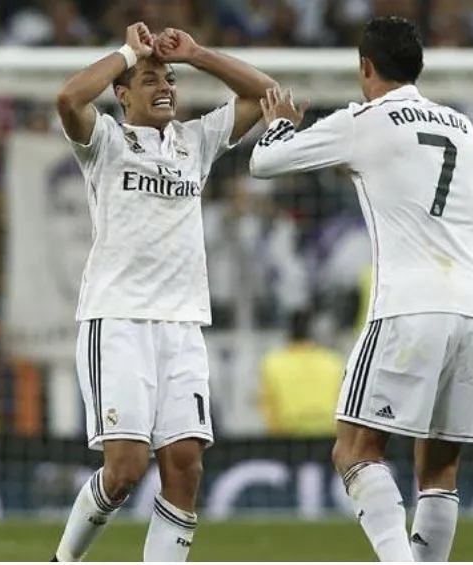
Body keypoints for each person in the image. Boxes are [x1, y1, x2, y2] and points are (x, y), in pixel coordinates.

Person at [250, 16, 473, 562]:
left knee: (355, 450)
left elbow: (264, 162)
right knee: (439, 467)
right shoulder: (464, 128)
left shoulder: (365, 120)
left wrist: (280, 124)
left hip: (410, 303)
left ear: (365, 67)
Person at [50, 22, 276, 562]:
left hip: (182, 325)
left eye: (170, 79)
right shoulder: (103, 140)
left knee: (186, 466)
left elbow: (263, 92)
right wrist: (130, 52)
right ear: (122, 94)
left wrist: (198, 54)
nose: (165, 86)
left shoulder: (193, 143)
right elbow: (68, 97)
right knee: (125, 470)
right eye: (149, 80)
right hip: (119, 320)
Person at [258, 310, 344, 437]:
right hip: (328, 437)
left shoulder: (272, 363)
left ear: (288, 334)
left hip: (288, 439)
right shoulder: (333, 361)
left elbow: (268, 408)